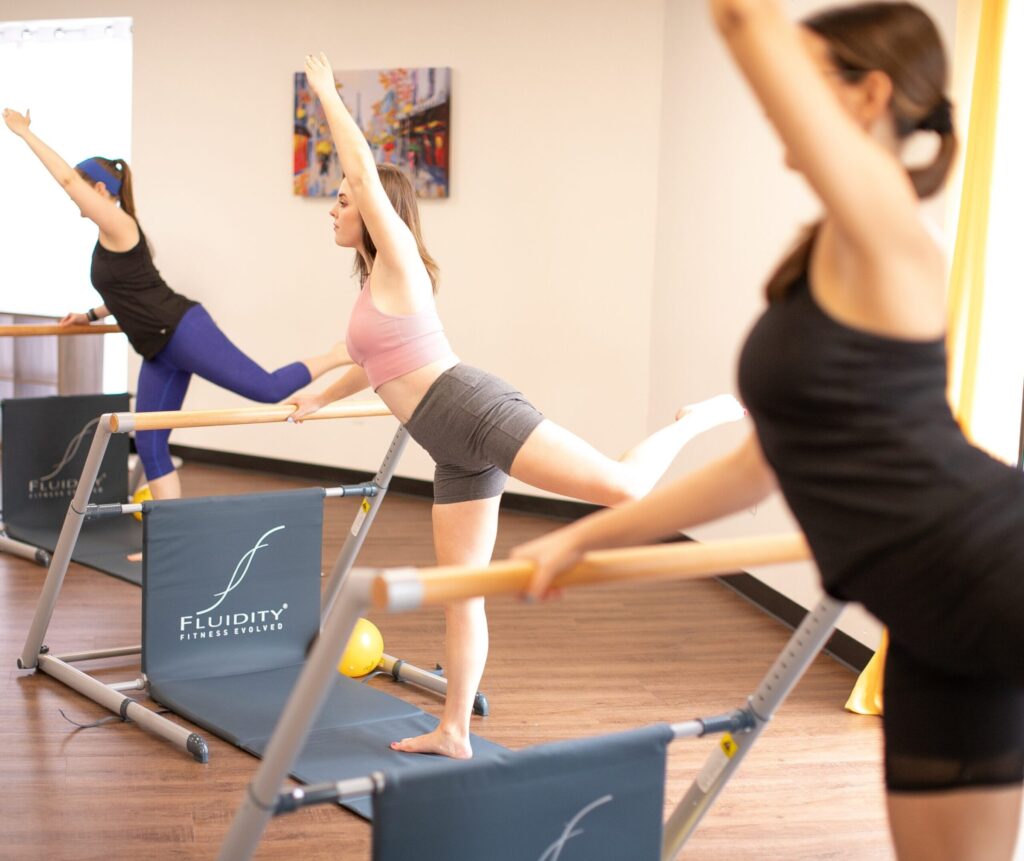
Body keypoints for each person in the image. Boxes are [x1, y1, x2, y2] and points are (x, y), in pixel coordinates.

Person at [512, 3, 1024, 859]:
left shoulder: (888, 228)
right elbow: (756, 470)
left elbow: (746, 20)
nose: (774, 103)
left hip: (993, 568)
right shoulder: (828, 253)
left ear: (869, 95)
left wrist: (748, 27)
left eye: (804, 76)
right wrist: (587, 535)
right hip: (932, 625)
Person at [288, 53, 745, 760]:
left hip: (471, 408)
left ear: (376, 203)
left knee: (624, 487)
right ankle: (454, 729)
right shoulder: (372, 287)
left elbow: (356, 165)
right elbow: (380, 361)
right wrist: (321, 390)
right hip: (450, 444)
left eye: (344, 199)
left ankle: (697, 419)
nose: (335, 206)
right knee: (460, 591)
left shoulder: (399, 257)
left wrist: (324, 93)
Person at [2, 109, 351, 509]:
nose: (73, 197)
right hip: (159, 349)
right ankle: (166, 544)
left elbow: (65, 179)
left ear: (99, 190)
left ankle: (336, 354)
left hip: (183, 330)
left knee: (268, 389)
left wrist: (24, 133)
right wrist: (90, 316)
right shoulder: (109, 233)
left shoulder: (118, 222)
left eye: (81, 190)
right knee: (149, 443)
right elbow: (128, 290)